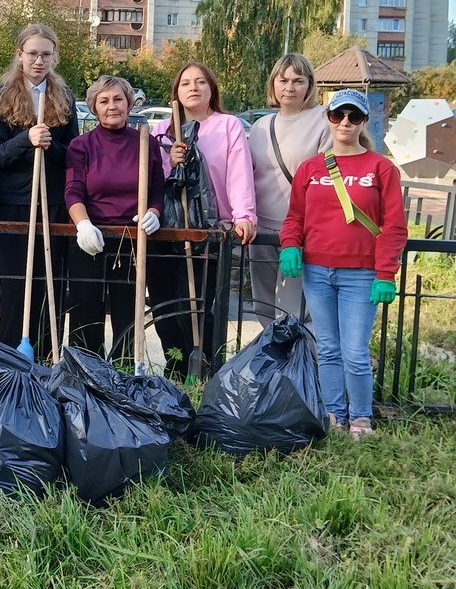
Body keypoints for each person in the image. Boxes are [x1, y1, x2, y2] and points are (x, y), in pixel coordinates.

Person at [279, 89, 407, 440]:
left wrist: (385, 273)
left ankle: (361, 419)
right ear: (329, 119)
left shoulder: (381, 168)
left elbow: (394, 226)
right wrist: (290, 245)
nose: (345, 123)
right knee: (329, 348)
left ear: (364, 121)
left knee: (354, 351)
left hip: (362, 274)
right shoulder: (311, 168)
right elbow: (295, 217)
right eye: (338, 116)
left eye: (353, 116)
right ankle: (335, 415)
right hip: (317, 271)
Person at [149, 62, 256, 375]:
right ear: (177, 92)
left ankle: (206, 367)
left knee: (200, 304)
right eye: (185, 83)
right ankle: (176, 364)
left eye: (200, 82)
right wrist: (171, 161)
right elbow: (155, 180)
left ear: (212, 89)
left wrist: (243, 215)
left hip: (208, 230)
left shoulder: (228, 126)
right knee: (165, 304)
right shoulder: (162, 131)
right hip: (167, 230)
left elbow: (239, 174)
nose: (192, 88)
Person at [0, 23, 79, 361]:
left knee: (50, 285)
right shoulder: (1, 95)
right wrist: (26, 139)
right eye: (32, 54)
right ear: (20, 55)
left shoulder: (64, 97)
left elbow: (72, 155)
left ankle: (47, 359)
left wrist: (49, 144)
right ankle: (8, 362)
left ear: (54, 56)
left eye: (45, 54)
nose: (38, 61)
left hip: (52, 203)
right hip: (15, 203)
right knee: (15, 288)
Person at [65, 75, 164, 362]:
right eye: (104, 100)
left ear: (130, 104)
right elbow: (73, 191)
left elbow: (158, 189)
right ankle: (85, 374)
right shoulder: (81, 145)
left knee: (127, 315)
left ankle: (123, 374)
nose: (112, 106)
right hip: (90, 240)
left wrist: (153, 214)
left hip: (132, 241)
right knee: (86, 314)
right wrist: (82, 224)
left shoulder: (146, 143)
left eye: (118, 99)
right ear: (94, 107)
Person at [248, 53, 331, 325]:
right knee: (262, 305)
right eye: (283, 80)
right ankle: (270, 362)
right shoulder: (261, 126)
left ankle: (296, 365)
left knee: (292, 309)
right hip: (262, 230)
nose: (290, 87)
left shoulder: (323, 121)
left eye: (298, 80)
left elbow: (329, 180)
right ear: (273, 84)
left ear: (310, 85)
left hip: (301, 231)